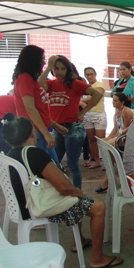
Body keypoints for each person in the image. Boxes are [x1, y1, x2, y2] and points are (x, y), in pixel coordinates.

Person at [2, 114, 123, 268]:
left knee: (75, 197)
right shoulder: (34, 154)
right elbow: (64, 187)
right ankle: (97, 258)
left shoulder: (10, 155)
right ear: (32, 133)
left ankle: (79, 240)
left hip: (24, 206)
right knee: (96, 206)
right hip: (42, 206)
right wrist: (81, 194)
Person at [42, 55, 103, 189]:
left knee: (72, 163)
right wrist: (48, 67)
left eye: (63, 69)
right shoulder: (51, 84)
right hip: (57, 128)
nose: (59, 72)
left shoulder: (75, 84)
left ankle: (78, 194)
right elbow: (38, 87)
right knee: (54, 162)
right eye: (56, 68)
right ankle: (61, 191)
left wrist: (83, 111)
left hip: (73, 127)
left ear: (68, 70)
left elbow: (98, 94)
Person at [12, 45, 62, 164]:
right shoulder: (25, 78)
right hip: (36, 131)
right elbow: (30, 108)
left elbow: (39, 105)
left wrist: (54, 125)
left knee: (53, 165)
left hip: (40, 129)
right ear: (34, 60)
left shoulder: (29, 78)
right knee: (46, 167)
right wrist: (46, 134)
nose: (43, 62)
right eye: (42, 59)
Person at [95, 92, 134, 193]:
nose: (113, 102)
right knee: (103, 141)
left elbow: (128, 129)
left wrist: (114, 137)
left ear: (122, 102)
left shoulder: (126, 111)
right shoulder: (117, 111)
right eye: (113, 100)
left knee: (110, 144)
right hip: (119, 136)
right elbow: (115, 128)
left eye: (115, 101)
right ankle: (110, 173)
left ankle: (108, 178)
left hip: (126, 137)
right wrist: (108, 137)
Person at [82, 67, 107, 169]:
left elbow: (95, 96)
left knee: (102, 140)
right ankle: (97, 161)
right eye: (87, 74)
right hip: (87, 114)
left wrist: (80, 102)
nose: (89, 76)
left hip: (98, 113)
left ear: (95, 74)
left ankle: (106, 162)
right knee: (91, 139)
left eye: (91, 74)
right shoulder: (85, 86)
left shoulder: (99, 84)